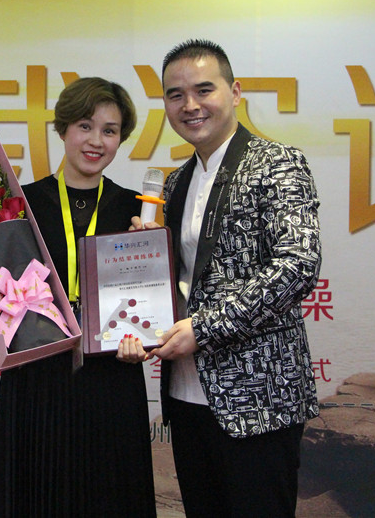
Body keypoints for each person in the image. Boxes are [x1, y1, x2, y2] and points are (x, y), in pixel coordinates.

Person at [0, 77, 157, 518]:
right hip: (36, 377)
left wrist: (148, 335)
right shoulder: (17, 205)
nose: (96, 140)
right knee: (36, 497)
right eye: (85, 126)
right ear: (63, 128)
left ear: (121, 139)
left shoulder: (135, 211)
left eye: (109, 130)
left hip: (112, 379)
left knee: (111, 499)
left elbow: (152, 302)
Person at [139, 39, 322, 517]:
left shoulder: (277, 163)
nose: (190, 105)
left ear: (235, 92)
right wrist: (143, 260)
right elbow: (182, 280)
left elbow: (297, 265)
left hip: (258, 399)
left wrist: (204, 328)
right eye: (176, 95)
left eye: (204, 90)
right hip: (184, 393)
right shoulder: (175, 182)